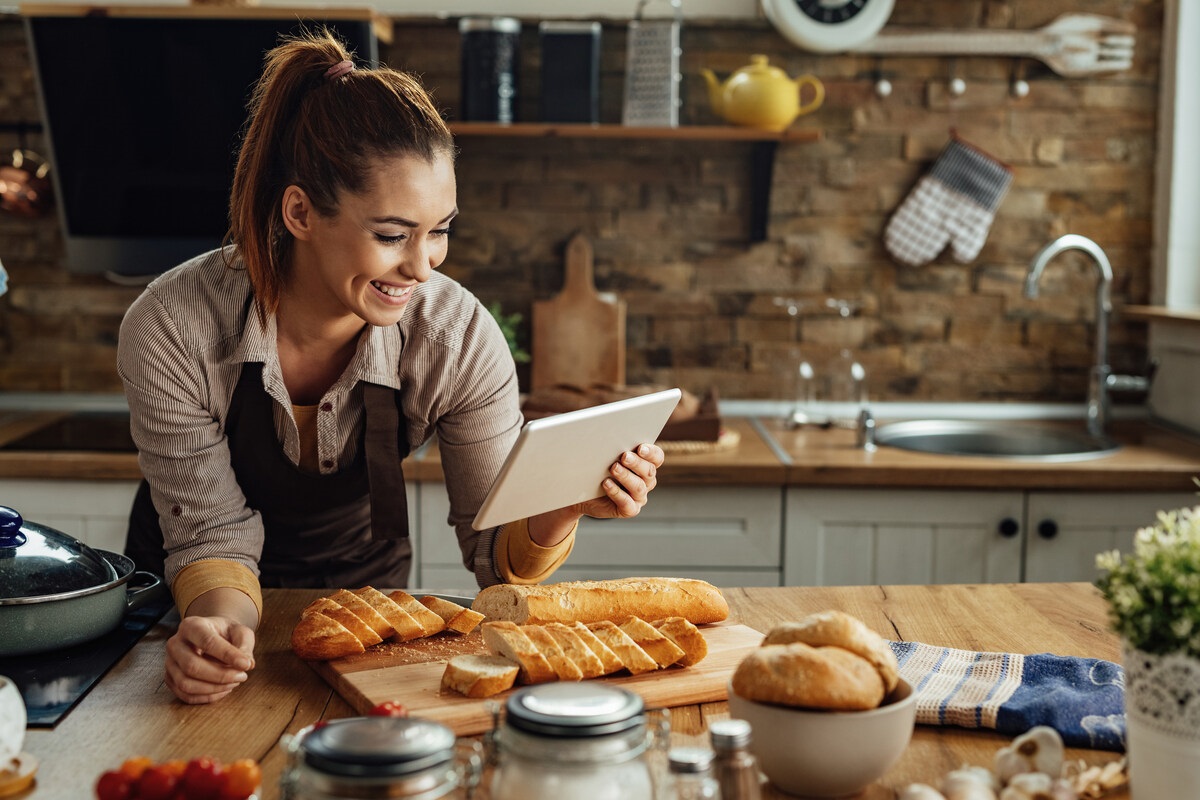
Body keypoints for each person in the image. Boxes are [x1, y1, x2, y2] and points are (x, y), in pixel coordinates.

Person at [116, 29, 665, 705]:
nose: (422, 265)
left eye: (439, 230)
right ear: (301, 212)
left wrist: (562, 510)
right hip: (192, 613)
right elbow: (210, 532)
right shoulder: (174, 326)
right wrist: (217, 639)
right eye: (391, 235)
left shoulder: (457, 336)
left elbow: (493, 553)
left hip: (365, 615)